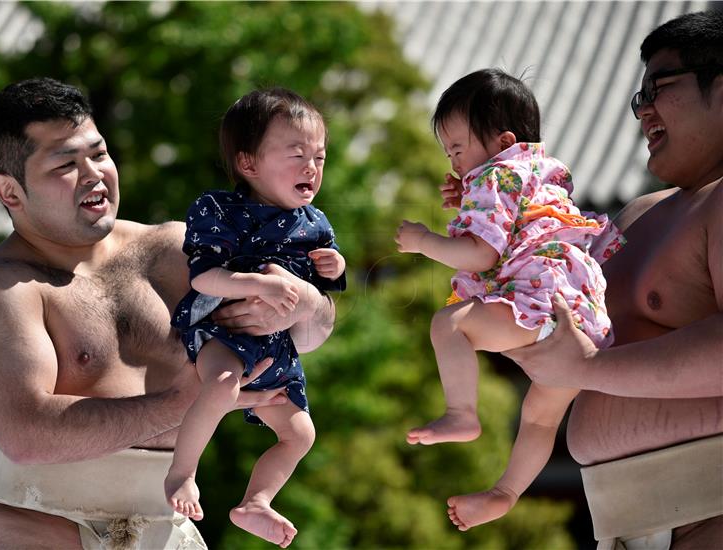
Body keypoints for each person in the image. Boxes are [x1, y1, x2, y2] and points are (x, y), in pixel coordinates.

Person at [0, 78, 337, 550]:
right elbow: (27, 435)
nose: (94, 174)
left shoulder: (174, 251)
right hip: (47, 522)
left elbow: (310, 334)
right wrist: (186, 401)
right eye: (66, 163)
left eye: (99, 153)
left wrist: (307, 301)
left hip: (168, 523)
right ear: (10, 191)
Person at [498, 10, 723, 550]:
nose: (642, 108)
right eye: (637, 96)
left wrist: (593, 368)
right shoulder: (633, 216)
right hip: (618, 526)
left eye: (660, 87)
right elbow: (555, 300)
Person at [395, 69, 624, 529]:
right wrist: (470, 195)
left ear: (501, 142)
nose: (454, 161)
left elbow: (481, 255)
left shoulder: (497, 176)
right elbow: (522, 217)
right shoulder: (540, 169)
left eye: (458, 149)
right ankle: (505, 492)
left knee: (450, 324)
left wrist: (425, 241)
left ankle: (461, 412)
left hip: (538, 302)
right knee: (540, 419)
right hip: (580, 320)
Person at [165, 88, 346, 548]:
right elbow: (204, 277)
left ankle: (256, 501)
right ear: (249, 164)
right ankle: (182, 474)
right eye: (297, 154)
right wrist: (256, 284)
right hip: (221, 332)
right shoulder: (221, 210)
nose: (312, 166)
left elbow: (325, 291)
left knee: (301, 434)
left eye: (320, 157)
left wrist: (334, 267)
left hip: (278, 348)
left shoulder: (315, 222)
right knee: (223, 383)